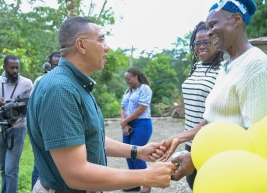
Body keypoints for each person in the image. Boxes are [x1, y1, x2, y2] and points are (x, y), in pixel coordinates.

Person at [27, 16, 177, 193]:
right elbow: (76, 174)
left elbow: (88, 138)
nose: (107, 47)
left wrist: (138, 151)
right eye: (101, 40)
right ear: (81, 45)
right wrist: (146, 176)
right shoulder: (60, 89)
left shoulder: (76, 85)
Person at [158, 0, 267, 182]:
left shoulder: (255, 64)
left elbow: (255, 138)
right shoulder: (228, 65)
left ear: (236, 20)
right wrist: (179, 138)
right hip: (213, 163)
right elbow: (211, 121)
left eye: (213, 24)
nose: (209, 31)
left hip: (231, 173)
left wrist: (196, 158)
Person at [180, 21, 223, 189]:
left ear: (215, 41)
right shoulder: (196, 67)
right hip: (190, 139)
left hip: (210, 140)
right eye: (197, 43)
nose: (201, 46)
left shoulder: (224, 69)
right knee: (193, 183)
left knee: (209, 185)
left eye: (206, 41)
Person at [0, 55, 33, 193]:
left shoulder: (26, 83)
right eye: (11, 68)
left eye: (17, 68)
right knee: (3, 168)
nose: (15, 71)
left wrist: (17, 110)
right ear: (4, 67)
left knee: (11, 169)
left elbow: (30, 106)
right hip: (1, 128)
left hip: (17, 128)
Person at [30, 51, 61, 190]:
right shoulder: (40, 81)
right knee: (41, 163)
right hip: (44, 128)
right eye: (54, 65)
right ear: (48, 65)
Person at [120, 67, 153, 193]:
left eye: (128, 79)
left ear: (136, 77)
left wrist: (125, 121)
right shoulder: (127, 91)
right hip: (128, 123)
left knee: (137, 153)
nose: (127, 81)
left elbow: (141, 108)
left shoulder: (144, 89)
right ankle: (135, 183)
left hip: (142, 124)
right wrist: (125, 124)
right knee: (127, 153)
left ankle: (147, 182)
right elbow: (122, 107)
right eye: (125, 80)